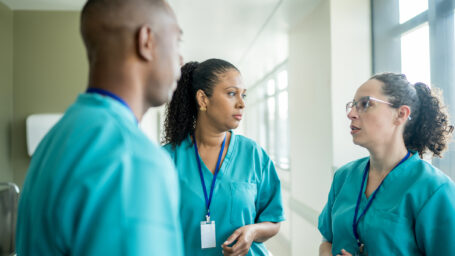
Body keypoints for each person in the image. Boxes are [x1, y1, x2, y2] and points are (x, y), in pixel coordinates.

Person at [16, 0, 184, 255]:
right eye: (177, 42)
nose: (180, 59)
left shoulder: (55, 141)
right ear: (146, 41)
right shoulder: (133, 160)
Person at [318, 73, 455, 256]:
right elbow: (328, 240)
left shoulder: (434, 189)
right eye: (352, 105)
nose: (351, 114)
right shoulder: (344, 176)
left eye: (366, 104)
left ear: (400, 114)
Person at [162, 58, 285, 256]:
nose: (242, 103)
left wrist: (252, 231)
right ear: (203, 99)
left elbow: (274, 220)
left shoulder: (253, 155)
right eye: (231, 93)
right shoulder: (167, 160)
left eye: (243, 95)